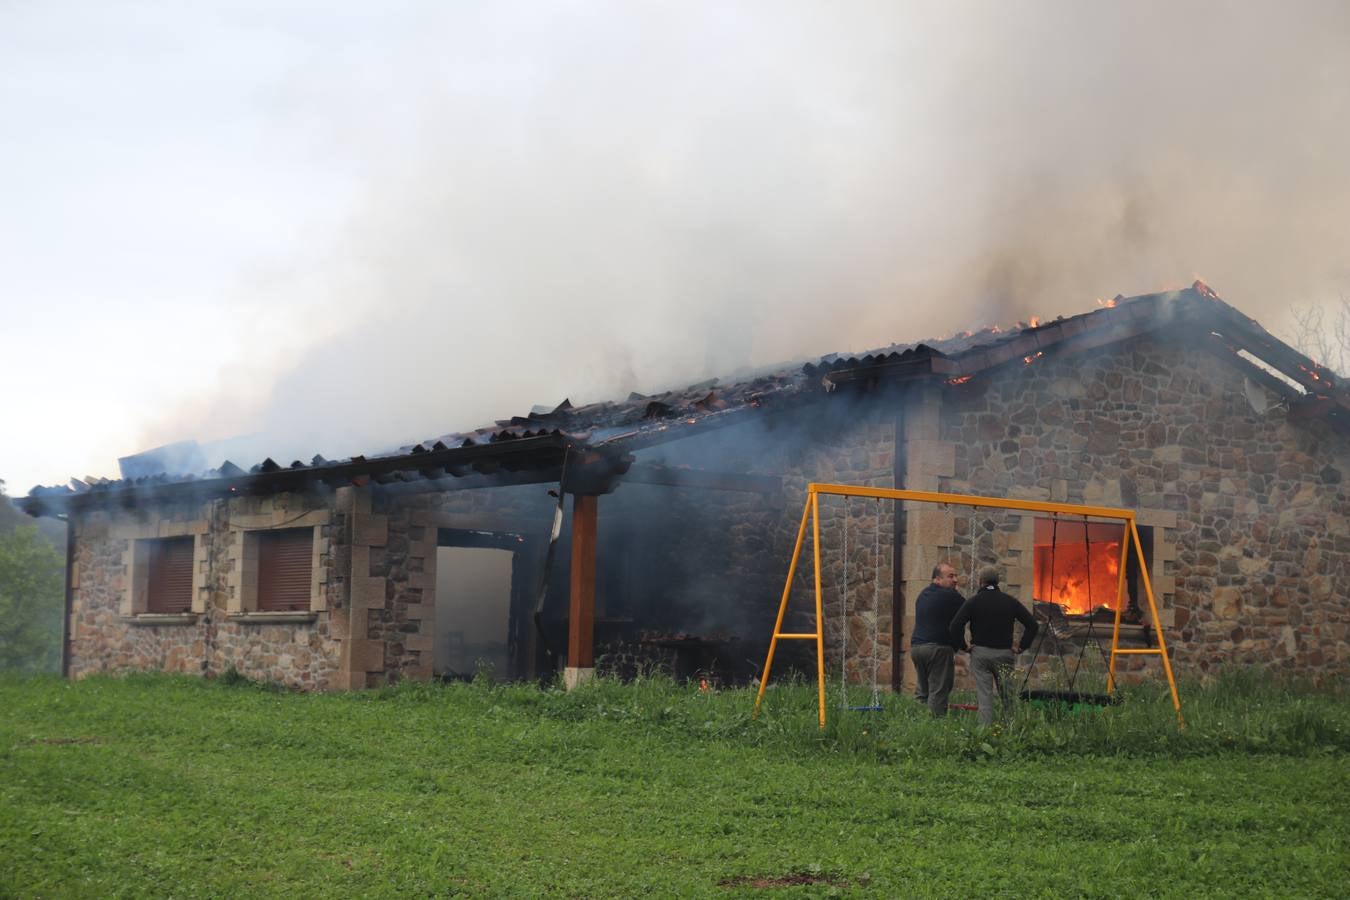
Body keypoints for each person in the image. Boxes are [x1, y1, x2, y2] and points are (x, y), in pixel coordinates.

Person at [949, 566, 1039, 726]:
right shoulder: (1010, 601)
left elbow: (955, 626)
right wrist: (1021, 647)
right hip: (1004, 654)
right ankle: (1012, 730)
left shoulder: (973, 602)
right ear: (997, 582)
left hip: (980, 654)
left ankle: (985, 734)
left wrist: (964, 646)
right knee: (1008, 697)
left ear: (980, 582)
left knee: (985, 697)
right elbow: (1032, 625)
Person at [910, 562, 965, 716]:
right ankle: (935, 726)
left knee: (923, 689)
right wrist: (964, 645)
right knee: (939, 690)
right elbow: (966, 613)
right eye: (950, 576)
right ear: (937, 580)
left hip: (917, 648)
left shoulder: (923, 594)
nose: (955, 580)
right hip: (937, 648)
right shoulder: (951, 595)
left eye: (956, 575)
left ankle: (916, 722)